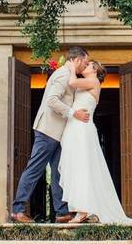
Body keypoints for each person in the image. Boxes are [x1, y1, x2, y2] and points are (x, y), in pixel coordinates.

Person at [9, 46, 90, 223]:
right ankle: (18, 210)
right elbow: (52, 100)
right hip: (48, 131)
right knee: (35, 169)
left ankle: (61, 212)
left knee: (57, 172)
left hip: (57, 134)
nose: (85, 67)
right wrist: (73, 113)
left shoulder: (67, 74)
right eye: (84, 63)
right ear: (76, 60)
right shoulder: (62, 74)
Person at [58, 60, 132, 224]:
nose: (84, 66)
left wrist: (71, 68)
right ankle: (84, 209)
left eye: (88, 65)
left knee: (81, 167)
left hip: (81, 129)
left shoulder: (93, 81)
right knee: (76, 167)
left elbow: (72, 82)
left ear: (94, 69)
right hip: (75, 127)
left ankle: (83, 210)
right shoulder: (86, 83)